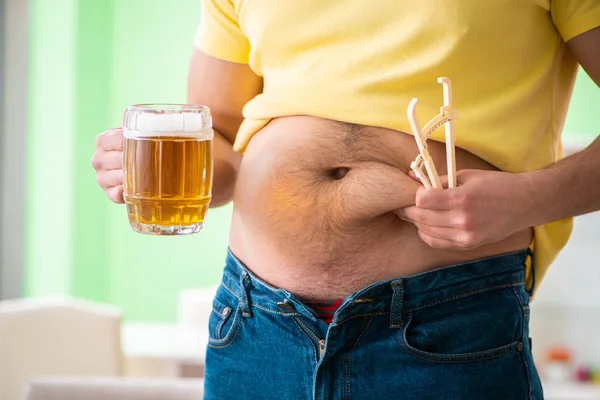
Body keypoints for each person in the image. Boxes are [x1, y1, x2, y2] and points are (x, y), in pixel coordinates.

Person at [92, 1, 600, 398]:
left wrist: (529, 199)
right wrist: (153, 171)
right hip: (256, 324)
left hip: (449, 321)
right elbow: (217, 147)